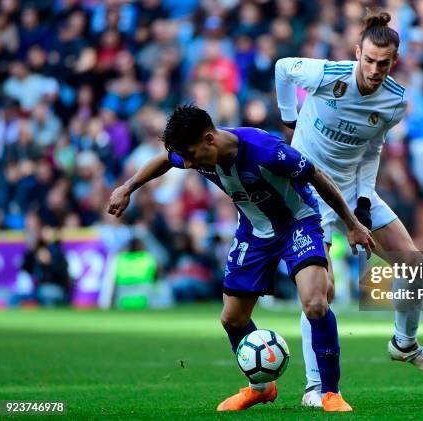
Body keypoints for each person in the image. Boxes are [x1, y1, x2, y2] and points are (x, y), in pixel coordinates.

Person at [107, 105, 374, 412]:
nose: (189, 163)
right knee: (232, 318)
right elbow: (166, 160)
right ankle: (261, 388)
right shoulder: (194, 152)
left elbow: (318, 177)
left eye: (192, 154)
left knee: (315, 302)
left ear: (209, 138)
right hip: (254, 231)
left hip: (298, 223)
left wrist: (353, 224)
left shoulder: (267, 151)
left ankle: (330, 393)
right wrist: (127, 188)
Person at [274, 8, 423, 407]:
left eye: (383, 64)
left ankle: (404, 344)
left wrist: (365, 203)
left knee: (415, 265)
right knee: (322, 293)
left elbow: (372, 148)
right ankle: (315, 388)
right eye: (368, 60)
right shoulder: (326, 75)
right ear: (357, 52)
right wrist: (289, 116)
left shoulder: (394, 102)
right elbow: (283, 67)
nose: (374, 70)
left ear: (395, 62)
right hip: (306, 193)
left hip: (352, 191)